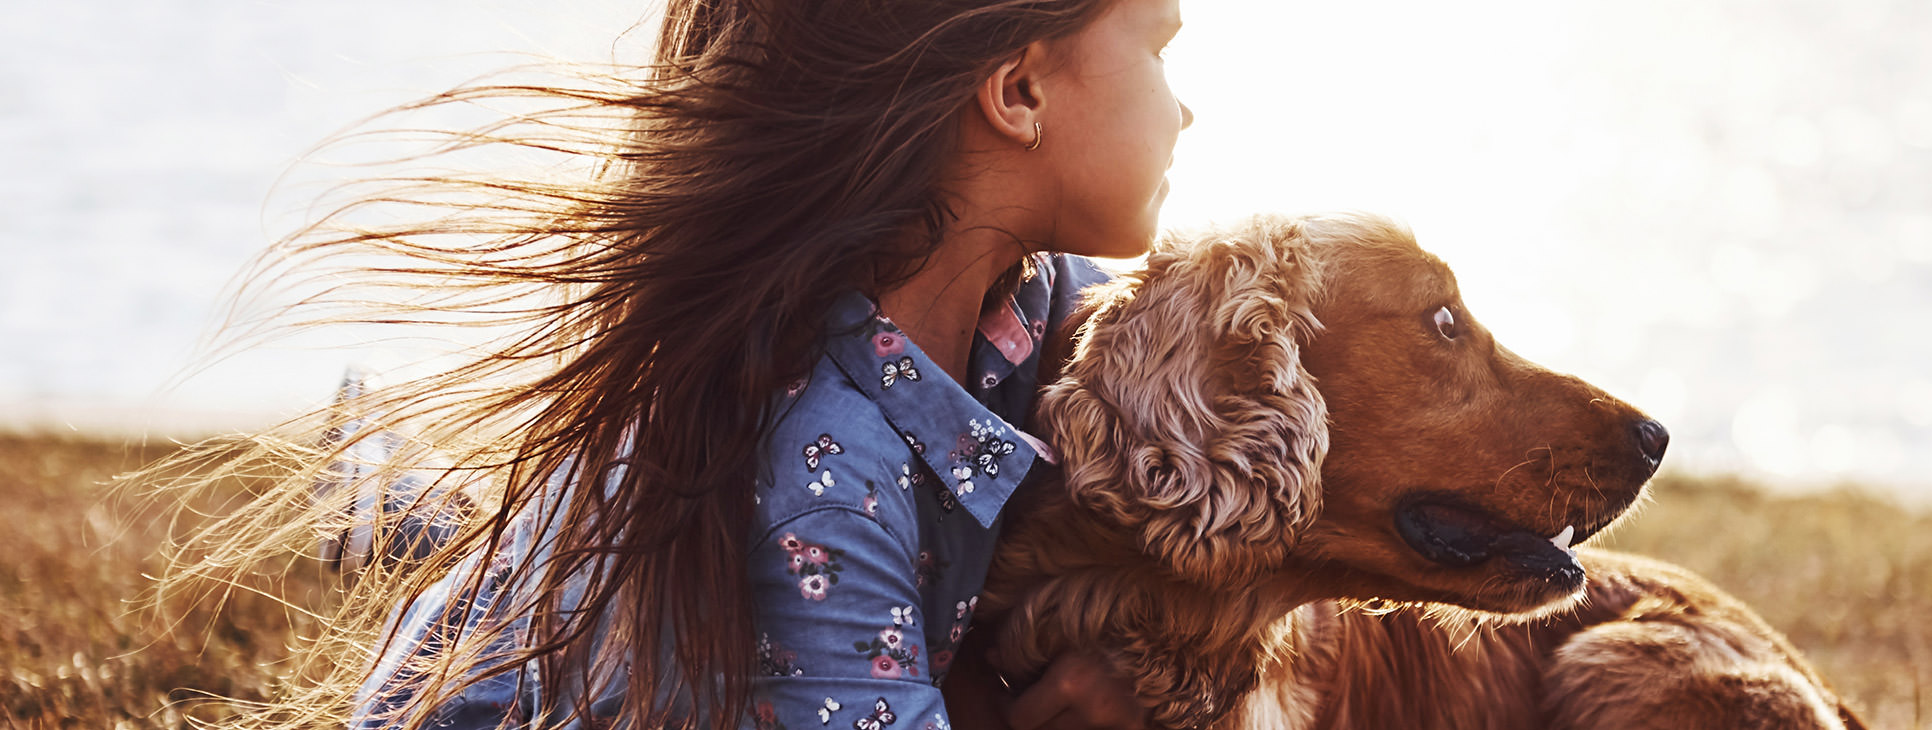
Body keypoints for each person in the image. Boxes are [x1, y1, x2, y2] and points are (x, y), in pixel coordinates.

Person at [158, 0, 1192, 727]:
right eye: (1158, 49)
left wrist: (1162, 654)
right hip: (506, 699)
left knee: (555, 537)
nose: (1183, 110)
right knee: (544, 574)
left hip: (629, 575)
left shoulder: (1036, 293)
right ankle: (413, 512)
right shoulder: (823, 502)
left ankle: (413, 504)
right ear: (1017, 91)